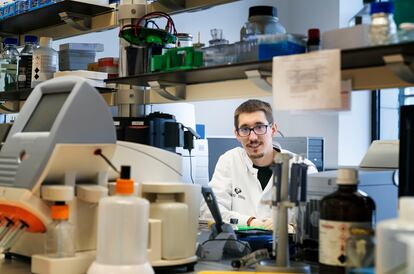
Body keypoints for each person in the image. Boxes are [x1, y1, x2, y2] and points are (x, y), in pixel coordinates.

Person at [200, 99, 318, 230]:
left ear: (273, 129)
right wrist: (251, 222)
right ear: (237, 134)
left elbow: (313, 222)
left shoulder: (302, 168)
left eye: (259, 127)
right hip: (238, 247)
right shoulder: (229, 160)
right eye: (245, 129)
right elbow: (209, 212)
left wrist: (291, 228)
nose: (253, 137)